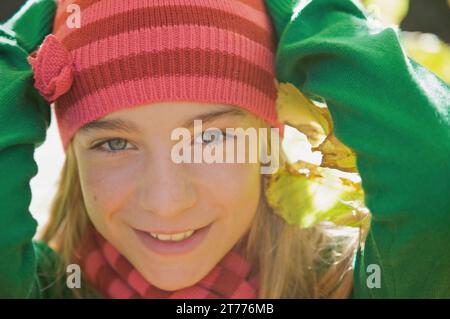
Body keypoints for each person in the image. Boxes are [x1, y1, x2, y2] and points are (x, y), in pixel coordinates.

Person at [0, 0, 448, 298]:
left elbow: (434, 179)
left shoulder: (346, 284)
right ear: (74, 151)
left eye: (212, 138)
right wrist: (19, 49)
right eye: (115, 143)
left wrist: (299, 14)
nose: (167, 202)